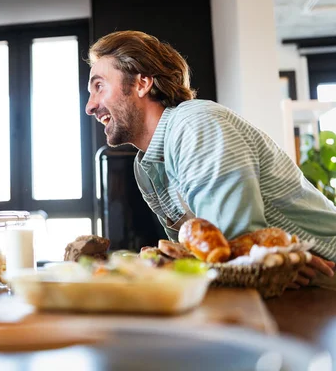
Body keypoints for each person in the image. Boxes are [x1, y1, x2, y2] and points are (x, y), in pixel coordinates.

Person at [85, 30, 336, 288]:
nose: (90, 106)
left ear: (142, 83)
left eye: (99, 86)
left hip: (326, 282)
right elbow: (197, 255)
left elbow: (232, 259)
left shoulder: (196, 124)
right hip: (285, 289)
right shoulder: (146, 167)